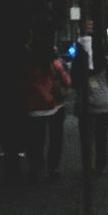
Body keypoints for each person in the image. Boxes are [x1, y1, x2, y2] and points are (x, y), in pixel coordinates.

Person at [24, 35, 71, 181]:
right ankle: (53, 167)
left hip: (34, 108)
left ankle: (35, 167)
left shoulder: (27, 66)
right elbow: (68, 82)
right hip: (55, 106)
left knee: (35, 141)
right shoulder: (55, 64)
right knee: (55, 139)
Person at [0, 39, 29, 178]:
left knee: (6, 136)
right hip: (17, 104)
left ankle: (12, 166)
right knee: (16, 133)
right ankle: (14, 163)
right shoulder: (22, 63)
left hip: (4, 105)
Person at [73, 30, 108, 175]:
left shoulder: (78, 63)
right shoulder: (105, 60)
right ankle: (100, 165)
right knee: (101, 137)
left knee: (86, 138)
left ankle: (88, 165)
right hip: (103, 102)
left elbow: (73, 83)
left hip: (85, 104)